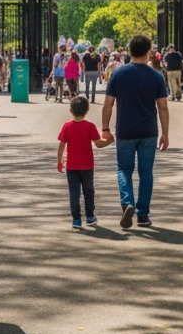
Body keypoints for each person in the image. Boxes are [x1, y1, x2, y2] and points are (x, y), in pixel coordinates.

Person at [101, 34, 169, 229]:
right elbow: (163, 107)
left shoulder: (118, 74)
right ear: (149, 52)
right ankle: (142, 214)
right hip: (148, 130)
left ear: (129, 51)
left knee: (124, 169)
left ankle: (127, 202)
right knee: (146, 172)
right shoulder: (156, 76)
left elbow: (108, 104)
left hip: (125, 129)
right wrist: (165, 133)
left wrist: (105, 128)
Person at [56, 96, 114, 229]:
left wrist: (59, 161)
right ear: (87, 110)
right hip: (87, 166)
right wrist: (109, 141)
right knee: (88, 190)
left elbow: (61, 145)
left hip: (71, 166)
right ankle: (90, 215)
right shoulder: (90, 126)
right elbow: (98, 144)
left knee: (74, 193)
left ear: (70, 111)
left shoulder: (67, 126)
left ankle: (76, 218)